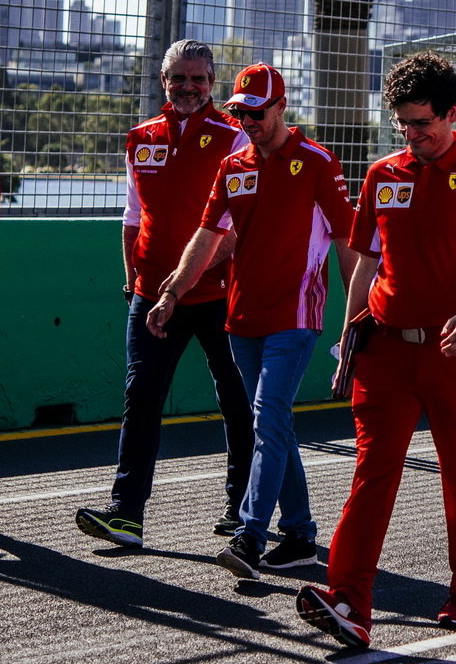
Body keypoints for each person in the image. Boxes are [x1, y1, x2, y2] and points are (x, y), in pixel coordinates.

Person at [296, 53, 456, 650]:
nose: (413, 134)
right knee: (371, 473)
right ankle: (347, 598)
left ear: (452, 113)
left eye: (423, 122)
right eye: (403, 123)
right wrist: (348, 335)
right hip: (385, 351)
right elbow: (365, 260)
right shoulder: (382, 175)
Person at [148, 63, 357, 578]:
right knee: (275, 424)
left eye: (258, 113)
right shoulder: (233, 165)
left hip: (296, 315)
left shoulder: (317, 163)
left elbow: (351, 242)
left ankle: (250, 536)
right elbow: (208, 235)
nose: (248, 121)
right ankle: (302, 534)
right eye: (240, 112)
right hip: (241, 317)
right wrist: (173, 290)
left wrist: (357, 318)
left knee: (266, 419)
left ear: (281, 107)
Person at [74, 40, 254, 548]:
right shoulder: (140, 139)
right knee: (140, 398)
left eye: (198, 78)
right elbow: (133, 217)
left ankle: (241, 511)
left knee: (237, 402)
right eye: (179, 77)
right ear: (163, 80)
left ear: (213, 82)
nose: (188, 87)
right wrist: (134, 280)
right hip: (151, 298)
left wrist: (184, 282)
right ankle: (126, 513)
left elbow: (241, 228)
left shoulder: (236, 138)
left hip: (219, 295)